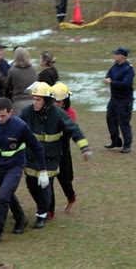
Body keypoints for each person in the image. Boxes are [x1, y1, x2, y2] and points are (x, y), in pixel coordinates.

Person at [20, 82, 91, 227]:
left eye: (38, 99)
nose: (34, 102)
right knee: (31, 185)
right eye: (33, 99)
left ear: (46, 100)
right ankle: (44, 208)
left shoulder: (59, 114)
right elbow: (16, 126)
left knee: (46, 186)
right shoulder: (27, 112)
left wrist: (84, 147)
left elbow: (74, 129)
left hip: (51, 158)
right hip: (32, 157)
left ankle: (44, 213)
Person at [0, 97, 47, 245]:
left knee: (1, 197)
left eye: (3, 115)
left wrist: (43, 171)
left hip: (15, 166)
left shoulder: (20, 127)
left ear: (11, 113)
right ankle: (20, 219)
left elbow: (37, 147)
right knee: (7, 195)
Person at [51, 82, 78, 213]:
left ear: (65, 101)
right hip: (49, 152)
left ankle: (71, 198)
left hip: (63, 152)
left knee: (65, 181)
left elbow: (69, 131)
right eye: (54, 101)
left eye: (59, 101)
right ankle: (48, 211)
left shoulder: (70, 113)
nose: (56, 104)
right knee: (46, 182)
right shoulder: (48, 111)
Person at [104, 47, 135, 154]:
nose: (114, 56)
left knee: (124, 122)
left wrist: (112, 82)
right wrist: (108, 79)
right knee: (110, 119)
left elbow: (126, 84)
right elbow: (109, 74)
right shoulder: (115, 66)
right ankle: (115, 141)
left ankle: (127, 145)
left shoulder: (129, 69)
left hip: (124, 100)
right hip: (114, 99)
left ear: (122, 56)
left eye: (116, 54)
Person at [5, 47, 38, 115]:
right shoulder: (34, 69)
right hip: (33, 101)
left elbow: (7, 87)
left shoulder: (12, 71)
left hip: (18, 102)